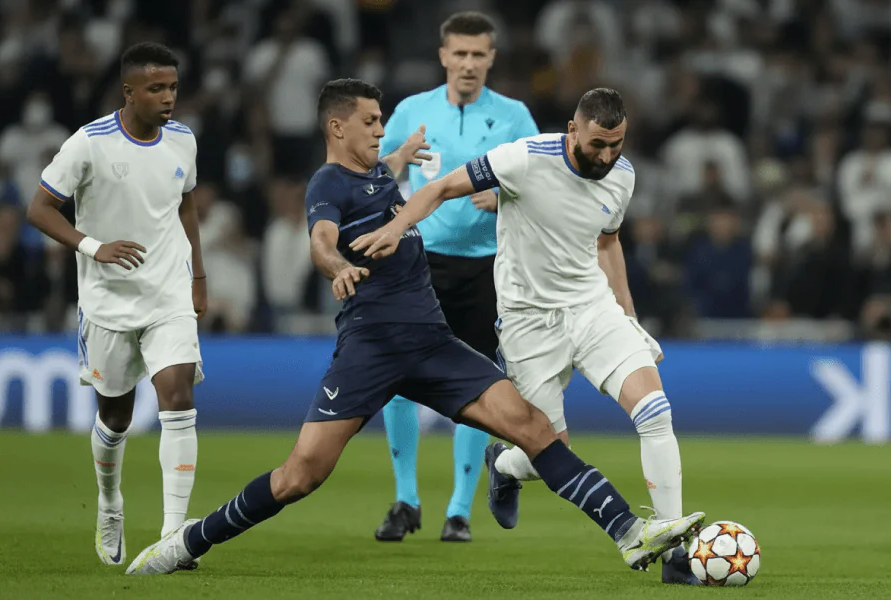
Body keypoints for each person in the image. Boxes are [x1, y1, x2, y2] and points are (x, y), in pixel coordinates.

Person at [125, 79, 704, 576]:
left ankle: (631, 533)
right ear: (337, 127)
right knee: (301, 475)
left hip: (431, 343)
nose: (381, 130)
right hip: (371, 348)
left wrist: (404, 155)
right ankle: (188, 542)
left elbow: (401, 177)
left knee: (535, 428)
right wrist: (339, 266)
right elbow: (321, 242)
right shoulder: (328, 184)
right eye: (372, 121)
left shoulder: (378, 172)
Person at [351, 88, 699, 585]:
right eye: (597, 144)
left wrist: (629, 315)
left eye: (616, 144)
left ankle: (673, 551)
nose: (606, 156)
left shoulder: (622, 176)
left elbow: (609, 240)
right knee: (547, 451)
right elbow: (443, 188)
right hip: (526, 322)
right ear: (572, 130)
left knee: (655, 410)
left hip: (591, 309)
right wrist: (396, 227)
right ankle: (507, 465)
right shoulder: (523, 158)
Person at [27, 42, 207, 566]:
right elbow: (40, 208)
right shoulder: (89, 143)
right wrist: (93, 246)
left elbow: (187, 204)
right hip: (108, 301)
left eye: (173, 87)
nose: (168, 97)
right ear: (129, 92)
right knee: (116, 416)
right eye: (156, 88)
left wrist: (198, 273)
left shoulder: (183, 140)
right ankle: (110, 502)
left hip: (168, 292)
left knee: (178, 399)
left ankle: (175, 536)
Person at [374, 10, 540, 543]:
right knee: (399, 379)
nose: (468, 64)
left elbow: (543, 182)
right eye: (460, 54)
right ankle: (405, 500)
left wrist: (509, 194)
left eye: (478, 55)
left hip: (486, 266)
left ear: (492, 58)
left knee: (473, 383)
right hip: (419, 260)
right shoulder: (410, 111)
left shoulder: (515, 116)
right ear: (443, 55)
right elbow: (376, 176)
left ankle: (459, 510)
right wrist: (395, 162)